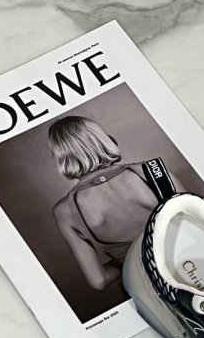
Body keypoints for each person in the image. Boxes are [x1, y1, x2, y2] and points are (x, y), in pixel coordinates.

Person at [50, 115, 183, 290]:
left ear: (61, 156)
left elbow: (98, 281)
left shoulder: (65, 210)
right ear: (102, 139)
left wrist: (128, 260)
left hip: (151, 289)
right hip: (193, 264)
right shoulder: (152, 170)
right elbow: (202, 218)